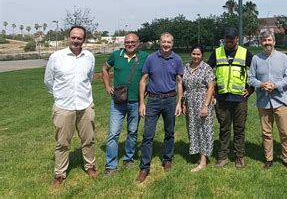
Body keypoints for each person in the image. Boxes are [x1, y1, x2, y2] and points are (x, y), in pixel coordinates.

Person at [44, 25, 98, 188]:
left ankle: (90, 166)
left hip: (85, 105)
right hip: (63, 107)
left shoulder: (89, 57)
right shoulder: (56, 57)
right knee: (62, 143)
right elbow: (48, 80)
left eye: (79, 38)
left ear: (84, 40)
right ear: (68, 37)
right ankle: (59, 174)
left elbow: (88, 78)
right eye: (73, 37)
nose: (76, 40)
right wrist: (60, 96)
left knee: (89, 139)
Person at [136, 32, 184, 183]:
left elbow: (179, 82)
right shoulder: (151, 59)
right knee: (148, 135)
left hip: (170, 100)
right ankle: (145, 167)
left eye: (169, 42)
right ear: (160, 43)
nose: (166, 44)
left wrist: (179, 102)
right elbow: (143, 81)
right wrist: (142, 103)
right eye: (163, 42)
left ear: (172, 44)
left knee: (169, 133)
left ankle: (167, 160)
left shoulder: (177, 59)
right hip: (153, 100)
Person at [248, 30, 287, 172]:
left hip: (279, 100)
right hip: (263, 101)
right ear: (261, 42)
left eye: (269, 40)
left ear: (274, 41)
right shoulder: (256, 59)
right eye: (264, 40)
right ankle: (269, 159)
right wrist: (261, 85)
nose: (267, 43)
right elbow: (251, 78)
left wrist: (276, 85)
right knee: (266, 133)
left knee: (285, 132)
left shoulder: (283, 57)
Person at [102, 33, 148, 176]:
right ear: (124, 43)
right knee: (113, 133)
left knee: (133, 132)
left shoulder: (145, 57)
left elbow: (150, 75)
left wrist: (145, 93)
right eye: (127, 42)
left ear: (138, 43)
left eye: (133, 42)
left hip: (136, 102)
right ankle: (111, 166)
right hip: (118, 102)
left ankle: (128, 159)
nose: (130, 44)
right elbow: (104, 68)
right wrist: (107, 85)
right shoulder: (116, 55)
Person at [207, 27, 253, 168]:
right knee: (224, 128)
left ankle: (239, 157)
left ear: (237, 39)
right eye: (227, 38)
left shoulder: (245, 53)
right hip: (222, 99)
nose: (229, 41)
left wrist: (251, 89)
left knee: (239, 128)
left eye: (231, 38)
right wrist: (212, 88)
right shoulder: (217, 52)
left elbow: (257, 73)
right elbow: (207, 71)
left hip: (239, 99)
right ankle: (223, 156)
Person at [182, 44, 216, 172]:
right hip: (190, 103)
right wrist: (184, 103)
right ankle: (199, 155)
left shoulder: (206, 68)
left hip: (203, 102)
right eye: (194, 54)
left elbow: (211, 87)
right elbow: (184, 86)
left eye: (198, 54)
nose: (196, 56)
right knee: (193, 130)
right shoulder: (186, 67)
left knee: (204, 130)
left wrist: (206, 106)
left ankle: (203, 161)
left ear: (202, 55)